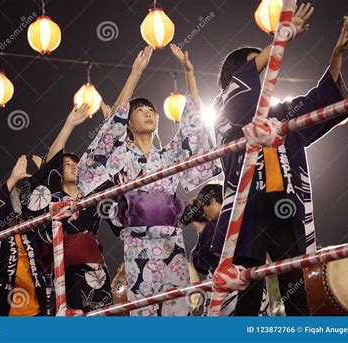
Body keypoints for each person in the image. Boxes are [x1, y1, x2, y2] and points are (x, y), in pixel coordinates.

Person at [212, 8, 348, 316]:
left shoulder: (280, 115)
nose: (266, 74)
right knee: (246, 293)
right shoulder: (226, 112)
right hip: (247, 208)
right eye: (259, 68)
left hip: (284, 206)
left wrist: (336, 58)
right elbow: (239, 96)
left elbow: (318, 100)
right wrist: (280, 40)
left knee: (295, 288)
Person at [77, 44, 221, 316]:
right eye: (140, 110)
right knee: (144, 311)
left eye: (151, 110)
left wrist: (189, 73)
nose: (148, 113)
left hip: (171, 238)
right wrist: (136, 72)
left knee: (177, 307)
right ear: (128, 123)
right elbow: (111, 129)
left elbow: (192, 126)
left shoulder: (168, 155)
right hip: (138, 239)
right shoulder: (122, 155)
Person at [42, 103, 114, 314]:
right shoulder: (53, 197)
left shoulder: (91, 195)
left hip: (96, 269)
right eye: (67, 164)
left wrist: (110, 128)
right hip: (65, 270)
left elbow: (107, 163)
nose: (74, 166)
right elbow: (49, 164)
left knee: (101, 321)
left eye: (77, 164)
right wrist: (68, 125)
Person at [0, 156, 54, 316]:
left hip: (36, 311)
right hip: (2, 312)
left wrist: (45, 180)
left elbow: (51, 211)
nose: (15, 204)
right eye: (10, 198)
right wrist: (13, 179)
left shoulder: (33, 234)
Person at [189, 183, 269, 316]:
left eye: (202, 208)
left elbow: (200, 264)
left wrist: (200, 230)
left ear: (212, 200)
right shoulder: (247, 218)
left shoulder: (213, 225)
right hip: (256, 288)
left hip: (228, 293)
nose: (203, 213)